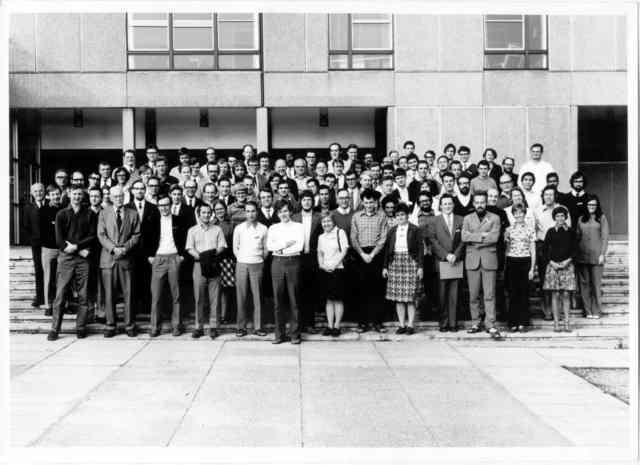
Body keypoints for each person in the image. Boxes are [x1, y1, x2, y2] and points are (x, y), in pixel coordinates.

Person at [47, 186, 97, 341]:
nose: (77, 197)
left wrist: (78, 247)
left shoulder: (89, 214)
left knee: (83, 294)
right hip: (66, 258)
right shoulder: (61, 214)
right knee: (60, 294)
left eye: (79, 194)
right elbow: (59, 239)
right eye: (74, 194)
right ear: (69, 195)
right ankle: (55, 328)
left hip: (83, 259)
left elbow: (93, 236)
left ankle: (80, 327)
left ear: (83, 196)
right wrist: (76, 249)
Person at [97, 185, 141, 338]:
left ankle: (129, 325)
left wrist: (125, 248)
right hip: (109, 259)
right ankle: (110, 325)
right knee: (109, 294)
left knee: (129, 293)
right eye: (115, 196)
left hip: (126, 259)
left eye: (121, 196)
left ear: (125, 196)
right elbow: (101, 235)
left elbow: (136, 235)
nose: (119, 199)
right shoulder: (103, 213)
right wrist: (113, 248)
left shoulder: (133, 214)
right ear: (110, 197)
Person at [461, 191, 502, 340]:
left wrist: (475, 238)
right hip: (472, 261)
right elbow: (464, 237)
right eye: (477, 202)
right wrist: (483, 236)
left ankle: (490, 324)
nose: (479, 205)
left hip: (489, 260)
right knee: (473, 295)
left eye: (482, 202)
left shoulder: (495, 218)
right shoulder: (467, 218)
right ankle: (475, 322)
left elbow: (494, 237)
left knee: (489, 294)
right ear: (473, 203)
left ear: (486, 203)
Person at [186, 203, 227, 339]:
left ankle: (214, 327)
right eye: (203, 213)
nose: (207, 215)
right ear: (199, 214)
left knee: (215, 298)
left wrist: (212, 255)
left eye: (209, 212)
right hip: (199, 265)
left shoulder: (217, 229)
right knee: (199, 297)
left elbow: (222, 246)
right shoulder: (192, 230)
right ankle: (199, 327)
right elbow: (190, 248)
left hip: (214, 264)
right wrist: (202, 258)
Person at [148, 195, 187, 337]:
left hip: (174, 258)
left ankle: (176, 325)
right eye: (161, 205)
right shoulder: (152, 221)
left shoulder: (178, 220)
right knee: (156, 295)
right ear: (158, 207)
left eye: (166, 205)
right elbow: (145, 238)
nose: (164, 208)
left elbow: (184, 238)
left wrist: (182, 256)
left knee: (175, 294)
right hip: (158, 259)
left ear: (171, 205)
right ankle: (154, 326)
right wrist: (150, 256)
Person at [350, 188, 389, 333]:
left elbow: (383, 238)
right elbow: (353, 238)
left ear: (376, 202)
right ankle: (362, 322)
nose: (369, 205)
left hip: (376, 254)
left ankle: (378, 322)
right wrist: (362, 254)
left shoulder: (382, 216)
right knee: (362, 289)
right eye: (366, 202)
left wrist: (372, 254)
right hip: (360, 255)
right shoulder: (356, 217)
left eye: (371, 202)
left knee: (377, 290)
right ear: (362, 202)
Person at [382, 203, 424, 335]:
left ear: (407, 215)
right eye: (397, 215)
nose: (400, 217)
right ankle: (401, 325)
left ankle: (410, 325)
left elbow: (420, 250)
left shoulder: (415, 229)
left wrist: (420, 267)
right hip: (395, 262)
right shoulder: (392, 230)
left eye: (402, 214)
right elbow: (387, 250)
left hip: (410, 262)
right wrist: (385, 266)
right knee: (399, 298)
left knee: (410, 297)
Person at [267, 200, 304, 344]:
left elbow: (299, 246)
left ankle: (295, 334)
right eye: (281, 211)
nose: (284, 214)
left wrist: (280, 247)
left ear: (291, 212)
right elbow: (270, 246)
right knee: (278, 300)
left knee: (294, 299)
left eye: (286, 211)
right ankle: (279, 334)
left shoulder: (298, 227)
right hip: (277, 263)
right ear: (277, 213)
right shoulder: (273, 228)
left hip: (293, 262)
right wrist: (285, 245)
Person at [427, 194, 464, 332]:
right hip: (442, 261)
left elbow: (463, 240)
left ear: (453, 205)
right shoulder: (434, 221)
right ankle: (443, 323)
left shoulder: (461, 220)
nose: (447, 206)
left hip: (456, 260)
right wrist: (445, 255)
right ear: (440, 206)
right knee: (442, 294)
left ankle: (453, 323)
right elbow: (433, 240)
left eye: (450, 203)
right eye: (445, 204)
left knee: (454, 294)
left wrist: (456, 254)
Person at [534, 185, 571, 320]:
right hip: (544, 247)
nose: (548, 197)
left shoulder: (562, 210)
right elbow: (534, 229)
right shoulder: (538, 211)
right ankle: (547, 311)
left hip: (561, 248)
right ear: (543, 196)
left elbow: (569, 230)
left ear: (555, 195)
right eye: (546, 194)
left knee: (561, 282)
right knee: (546, 280)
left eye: (551, 194)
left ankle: (559, 312)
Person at [234, 201, 269, 337]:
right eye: (248, 211)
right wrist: (242, 259)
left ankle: (258, 327)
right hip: (242, 264)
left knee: (257, 296)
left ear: (257, 212)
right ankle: (241, 327)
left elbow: (266, 249)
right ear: (245, 213)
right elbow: (235, 247)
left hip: (257, 264)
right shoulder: (239, 228)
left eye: (253, 211)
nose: (250, 214)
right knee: (241, 296)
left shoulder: (263, 228)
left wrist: (258, 259)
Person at [292, 190, 323, 334]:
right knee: (298, 291)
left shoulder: (319, 217)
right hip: (297, 257)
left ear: (313, 201)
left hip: (313, 257)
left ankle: (310, 323)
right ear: (300, 202)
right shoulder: (294, 217)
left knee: (311, 290)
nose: (307, 202)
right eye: (304, 200)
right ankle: (299, 323)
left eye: (309, 200)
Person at [129, 180, 160, 317]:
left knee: (148, 279)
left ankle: (148, 310)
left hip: (148, 251)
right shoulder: (126, 207)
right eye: (137, 188)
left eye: (142, 188)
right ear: (132, 191)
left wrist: (153, 252)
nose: (140, 191)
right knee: (132, 280)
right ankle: (134, 310)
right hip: (131, 250)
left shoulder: (153, 208)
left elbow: (157, 232)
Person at [542, 206, 576, 332]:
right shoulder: (550, 231)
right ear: (554, 218)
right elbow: (544, 250)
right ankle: (556, 323)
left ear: (565, 217)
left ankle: (567, 322)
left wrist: (568, 260)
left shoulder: (571, 231)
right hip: (553, 266)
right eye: (557, 216)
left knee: (566, 294)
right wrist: (551, 262)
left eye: (562, 216)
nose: (560, 218)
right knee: (555, 294)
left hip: (567, 265)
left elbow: (575, 249)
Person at [504, 203, 536, 332]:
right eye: (516, 213)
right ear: (513, 214)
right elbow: (506, 250)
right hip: (512, 262)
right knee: (513, 293)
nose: (518, 215)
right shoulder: (508, 230)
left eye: (521, 213)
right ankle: (513, 322)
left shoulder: (530, 229)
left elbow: (533, 250)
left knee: (523, 293)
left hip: (525, 261)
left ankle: (523, 322)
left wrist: (532, 268)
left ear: (524, 214)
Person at [576, 196, 609, 319]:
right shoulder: (580, 219)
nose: (591, 207)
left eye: (594, 205)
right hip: (582, 256)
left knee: (596, 284)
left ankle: (596, 310)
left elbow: (605, 237)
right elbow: (577, 236)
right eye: (589, 205)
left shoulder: (602, 218)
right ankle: (588, 311)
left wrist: (602, 254)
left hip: (596, 256)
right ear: (586, 205)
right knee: (584, 285)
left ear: (597, 206)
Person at [317, 214, 349, 337]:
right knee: (329, 299)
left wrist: (334, 265)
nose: (326, 224)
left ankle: (337, 326)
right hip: (325, 270)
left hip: (338, 269)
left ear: (333, 222)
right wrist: (322, 265)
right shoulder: (321, 237)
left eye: (328, 221)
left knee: (338, 298)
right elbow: (319, 253)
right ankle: (329, 326)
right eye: (324, 222)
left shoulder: (340, 232)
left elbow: (344, 250)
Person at [212, 201, 236, 325]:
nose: (219, 212)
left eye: (221, 209)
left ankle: (226, 315)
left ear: (225, 209)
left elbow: (232, 243)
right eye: (217, 210)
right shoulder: (211, 224)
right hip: (215, 260)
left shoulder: (231, 224)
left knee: (227, 289)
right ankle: (217, 315)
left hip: (227, 260)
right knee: (216, 289)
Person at [24, 183, 45, 309]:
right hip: (36, 244)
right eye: (36, 191)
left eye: (41, 191)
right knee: (38, 270)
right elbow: (26, 226)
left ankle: (49, 296)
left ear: (44, 192)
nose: (38, 193)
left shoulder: (49, 205)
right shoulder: (28, 208)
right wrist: (32, 240)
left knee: (50, 270)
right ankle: (39, 296)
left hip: (49, 245)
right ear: (32, 193)